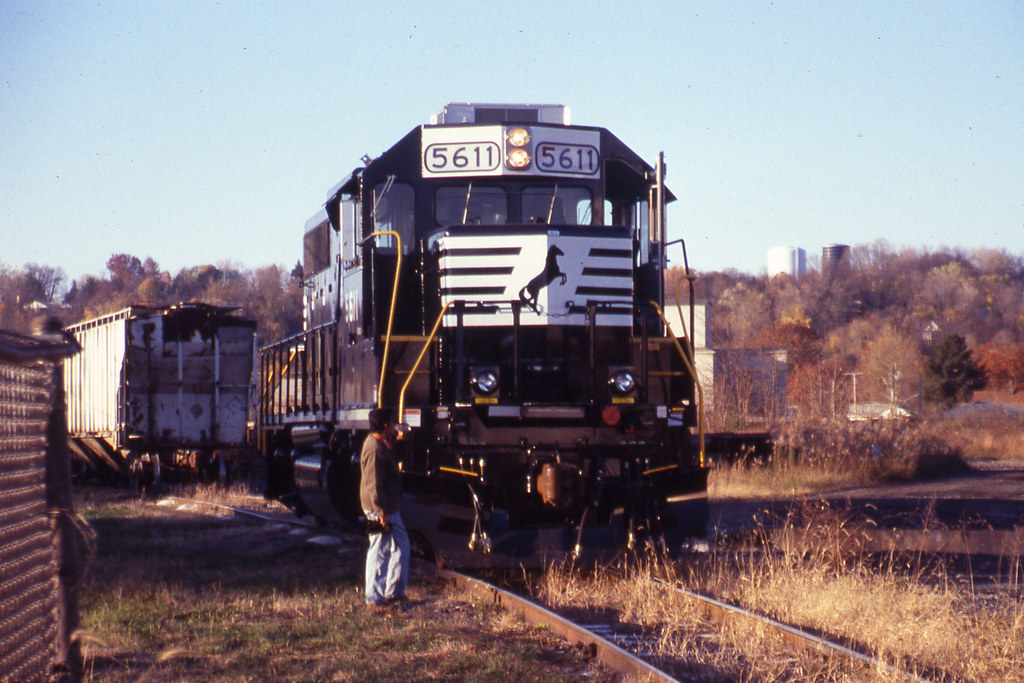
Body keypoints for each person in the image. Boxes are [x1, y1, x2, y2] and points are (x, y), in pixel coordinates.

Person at [359, 406, 409, 609]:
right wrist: (381, 513)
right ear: (385, 426)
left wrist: (401, 440)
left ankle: (394, 592)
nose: (394, 425)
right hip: (378, 508)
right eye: (392, 422)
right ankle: (374, 598)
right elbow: (373, 483)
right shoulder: (373, 449)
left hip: (387, 507)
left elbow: (391, 458)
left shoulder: (381, 443)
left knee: (400, 546)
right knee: (379, 549)